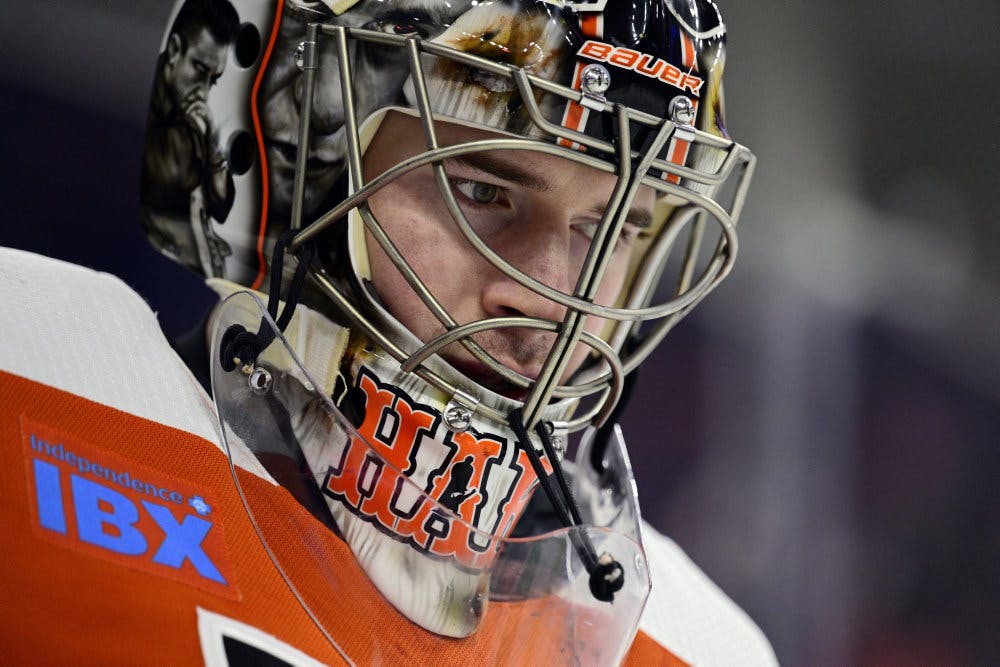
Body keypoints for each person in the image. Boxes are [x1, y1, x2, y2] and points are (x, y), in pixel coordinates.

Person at [0, 0, 776, 663]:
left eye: (609, 227)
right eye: (482, 188)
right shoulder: (28, 376)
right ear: (293, 164)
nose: (550, 298)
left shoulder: (693, 645)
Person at [141, 0, 239, 277]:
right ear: (174, 51)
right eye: (199, 69)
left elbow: (221, 207)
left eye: (214, 80)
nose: (204, 91)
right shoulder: (143, 103)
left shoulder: (195, 119)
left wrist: (211, 147)